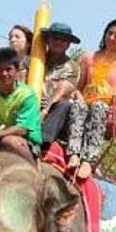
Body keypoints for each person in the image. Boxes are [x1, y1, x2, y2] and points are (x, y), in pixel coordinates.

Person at [66, 19, 116, 178]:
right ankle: (74, 153)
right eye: (110, 33)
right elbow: (79, 86)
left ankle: (88, 160)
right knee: (79, 106)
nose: (112, 38)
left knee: (99, 107)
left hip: (109, 109)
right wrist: (79, 98)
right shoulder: (88, 58)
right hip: (85, 102)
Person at [0, 47, 42, 162]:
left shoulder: (27, 95)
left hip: (25, 141)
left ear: (17, 71)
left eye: (8, 69)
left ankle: (34, 170)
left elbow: (22, 129)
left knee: (9, 141)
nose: (4, 74)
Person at [39, 22, 81, 150]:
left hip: (54, 112)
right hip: (31, 106)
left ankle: (42, 142)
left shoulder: (72, 67)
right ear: (47, 40)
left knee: (65, 104)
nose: (58, 42)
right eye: (55, 38)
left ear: (68, 44)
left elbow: (61, 92)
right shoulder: (34, 60)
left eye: (63, 39)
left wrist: (45, 111)